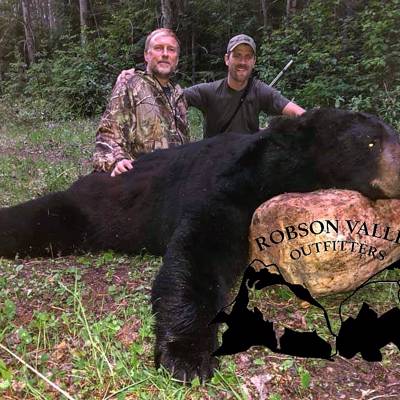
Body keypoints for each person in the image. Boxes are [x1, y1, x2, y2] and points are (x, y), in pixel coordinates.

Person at [93, 28, 189, 177]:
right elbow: (107, 134)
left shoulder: (178, 95)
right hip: (138, 178)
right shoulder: (131, 84)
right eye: (158, 48)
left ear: (176, 59)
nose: (165, 54)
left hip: (173, 179)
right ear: (146, 55)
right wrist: (118, 161)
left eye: (171, 50)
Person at [184, 34, 306, 138]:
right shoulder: (209, 91)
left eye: (248, 57)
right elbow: (176, 97)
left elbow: (300, 114)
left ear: (254, 62)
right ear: (227, 59)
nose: (242, 62)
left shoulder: (259, 90)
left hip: (247, 156)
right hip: (215, 156)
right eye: (237, 55)